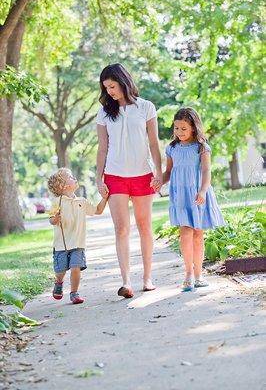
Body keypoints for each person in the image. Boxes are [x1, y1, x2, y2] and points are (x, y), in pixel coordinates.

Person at [96, 63, 162, 298]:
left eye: (112, 86)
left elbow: (154, 143)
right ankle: (126, 281)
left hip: (143, 175)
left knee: (145, 227)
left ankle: (147, 278)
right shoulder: (104, 112)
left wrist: (160, 173)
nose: (110, 92)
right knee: (121, 229)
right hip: (115, 176)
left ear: (123, 81)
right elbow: (102, 148)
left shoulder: (146, 107)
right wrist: (98, 178)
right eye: (106, 88)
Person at [154, 107, 224, 291]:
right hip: (181, 196)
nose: (179, 132)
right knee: (185, 232)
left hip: (197, 194)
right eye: (176, 128)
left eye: (184, 128)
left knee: (198, 235)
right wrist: (160, 181)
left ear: (193, 127)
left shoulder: (202, 147)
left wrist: (202, 191)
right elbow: (169, 172)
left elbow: (206, 171)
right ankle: (188, 273)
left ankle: (199, 275)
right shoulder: (172, 148)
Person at [48, 167, 108, 304]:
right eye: (70, 176)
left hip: (78, 243)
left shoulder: (82, 201)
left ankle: (74, 293)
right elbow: (51, 219)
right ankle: (59, 282)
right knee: (61, 270)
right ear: (63, 186)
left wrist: (104, 199)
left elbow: (97, 210)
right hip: (61, 245)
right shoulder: (56, 202)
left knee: (76, 268)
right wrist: (55, 219)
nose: (74, 177)